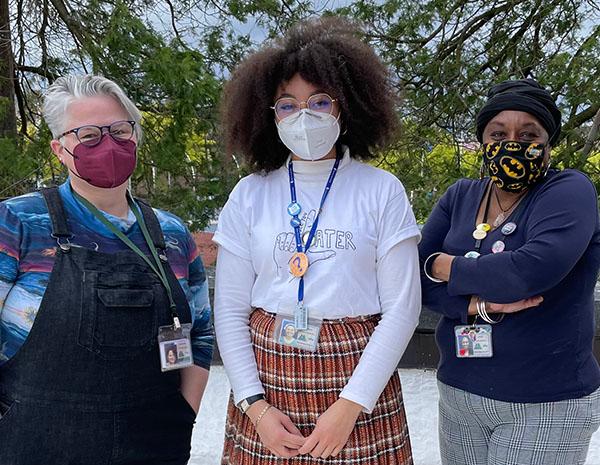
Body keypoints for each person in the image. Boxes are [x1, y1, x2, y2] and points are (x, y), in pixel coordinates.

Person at [214, 17, 421, 464]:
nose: (304, 116)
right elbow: (229, 309)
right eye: (287, 105)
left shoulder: (381, 189)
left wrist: (351, 405)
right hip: (266, 381)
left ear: (347, 107)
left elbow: (403, 308)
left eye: (320, 101)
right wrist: (256, 407)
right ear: (268, 115)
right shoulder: (250, 193)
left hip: (359, 382)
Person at [0, 75, 213, 464]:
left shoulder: (171, 234)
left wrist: (184, 413)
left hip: (153, 443)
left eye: (119, 131)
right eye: (89, 136)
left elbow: (199, 334)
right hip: (36, 443)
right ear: (60, 149)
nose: (109, 145)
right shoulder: (17, 222)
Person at [419, 78, 600, 465]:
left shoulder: (569, 191)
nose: (512, 143)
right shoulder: (461, 195)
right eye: (498, 133)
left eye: (528, 133)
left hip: (545, 401)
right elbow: (414, 278)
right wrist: (480, 304)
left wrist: (444, 264)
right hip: (459, 393)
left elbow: (526, 273)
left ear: (548, 142)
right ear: (484, 141)